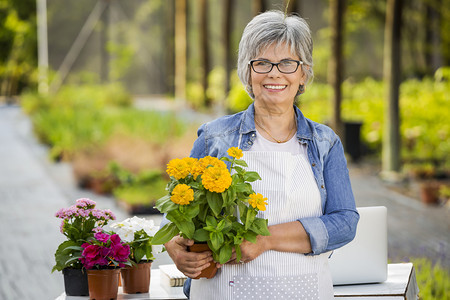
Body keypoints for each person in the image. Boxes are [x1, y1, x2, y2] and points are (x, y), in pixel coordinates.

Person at [163, 10, 359, 299]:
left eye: (288, 63)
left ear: (303, 73)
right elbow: (181, 216)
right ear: (248, 71)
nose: (275, 73)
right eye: (262, 63)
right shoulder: (215, 138)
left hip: (305, 290)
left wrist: (263, 239)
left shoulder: (325, 142)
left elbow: (344, 222)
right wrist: (176, 249)